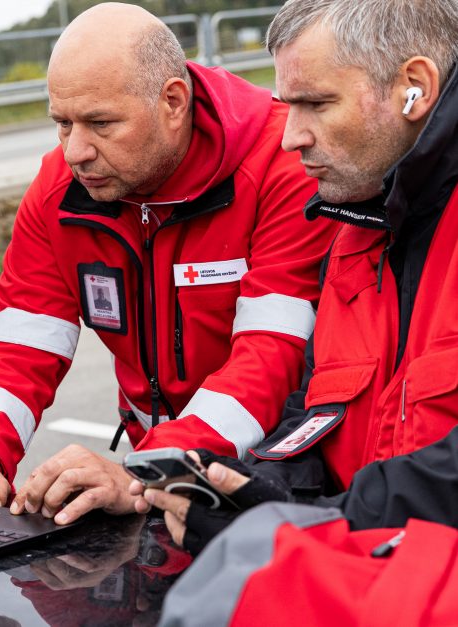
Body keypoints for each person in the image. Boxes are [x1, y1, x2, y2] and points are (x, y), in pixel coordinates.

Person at [0, 2, 337, 522]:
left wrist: (146, 471)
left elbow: (271, 355)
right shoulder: (60, 188)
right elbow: (22, 342)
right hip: (161, 467)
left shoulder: (281, 163)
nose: (76, 150)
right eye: (62, 123)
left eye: (101, 123)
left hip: (279, 466)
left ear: (173, 101)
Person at [136, 0, 458, 556]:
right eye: (287, 106)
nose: (290, 138)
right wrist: (243, 489)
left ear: (415, 87)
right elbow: (313, 420)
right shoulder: (356, 230)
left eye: (314, 104)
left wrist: (309, 527)